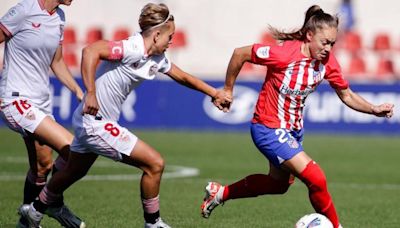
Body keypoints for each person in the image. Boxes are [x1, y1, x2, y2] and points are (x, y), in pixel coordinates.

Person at [22, 3, 231, 228]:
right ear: (157, 34)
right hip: (95, 123)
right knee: (155, 164)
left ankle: (34, 211)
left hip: (93, 122)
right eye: (170, 36)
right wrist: (90, 92)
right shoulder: (132, 47)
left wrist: (213, 93)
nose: (172, 41)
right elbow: (90, 51)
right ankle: (153, 223)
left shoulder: (156, 57)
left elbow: (182, 76)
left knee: (74, 171)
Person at [200, 5, 394, 228]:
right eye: (325, 42)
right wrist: (227, 89)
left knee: (277, 185)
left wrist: (373, 108)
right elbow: (239, 53)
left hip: (292, 131)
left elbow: (346, 94)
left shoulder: (327, 62)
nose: (328, 48)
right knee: (316, 178)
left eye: (333, 43)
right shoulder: (283, 54)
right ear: (309, 36)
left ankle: (220, 193)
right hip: (268, 128)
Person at [0, 0, 86, 227]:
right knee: (72, 149)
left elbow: (56, 61)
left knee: (43, 166)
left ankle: (27, 223)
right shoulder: (24, 11)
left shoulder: (59, 18)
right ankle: (53, 203)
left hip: (41, 103)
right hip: (17, 100)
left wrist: (78, 90)